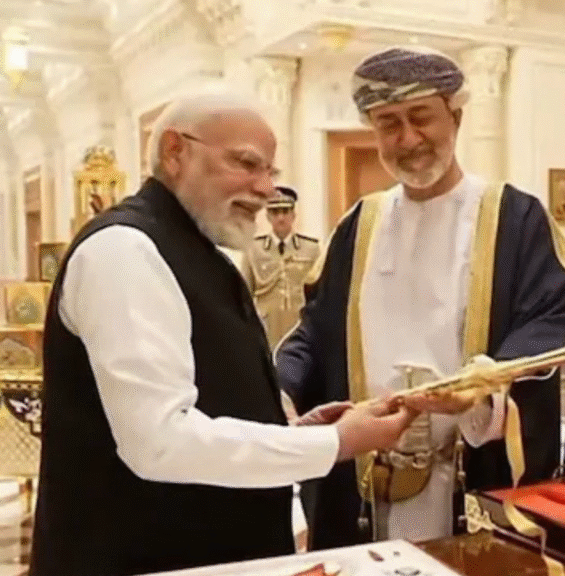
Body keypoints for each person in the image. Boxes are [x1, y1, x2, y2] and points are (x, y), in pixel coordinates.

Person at [29, 93, 416, 576]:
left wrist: (288, 431)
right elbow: (160, 440)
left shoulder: (197, 249)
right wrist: (336, 443)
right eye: (246, 164)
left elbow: (202, 396)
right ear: (175, 152)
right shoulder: (123, 252)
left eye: (270, 171)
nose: (264, 189)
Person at [276, 46, 565, 550]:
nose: (408, 139)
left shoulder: (514, 217)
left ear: (455, 117)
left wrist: (480, 387)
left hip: (465, 472)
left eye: (421, 118)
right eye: (388, 124)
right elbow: (316, 330)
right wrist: (281, 389)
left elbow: (546, 322)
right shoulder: (358, 224)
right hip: (364, 482)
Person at [241, 186, 321, 348]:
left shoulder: (311, 249)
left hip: (300, 328)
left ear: (293, 215)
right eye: (275, 213)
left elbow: (320, 294)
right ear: (268, 217)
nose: (281, 218)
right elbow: (244, 296)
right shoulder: (253, 249)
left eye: (285, 212)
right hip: (266, 329)